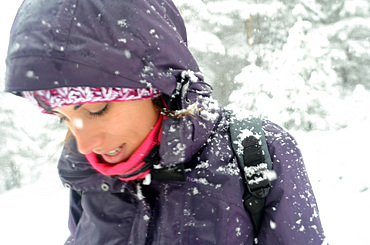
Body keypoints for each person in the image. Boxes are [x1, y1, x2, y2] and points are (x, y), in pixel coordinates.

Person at [5, 0, 326, 244]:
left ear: (159, 86)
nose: (85, 144)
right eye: (64, 118)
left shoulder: (256, 150)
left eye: (98, 109)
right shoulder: (86, 170)